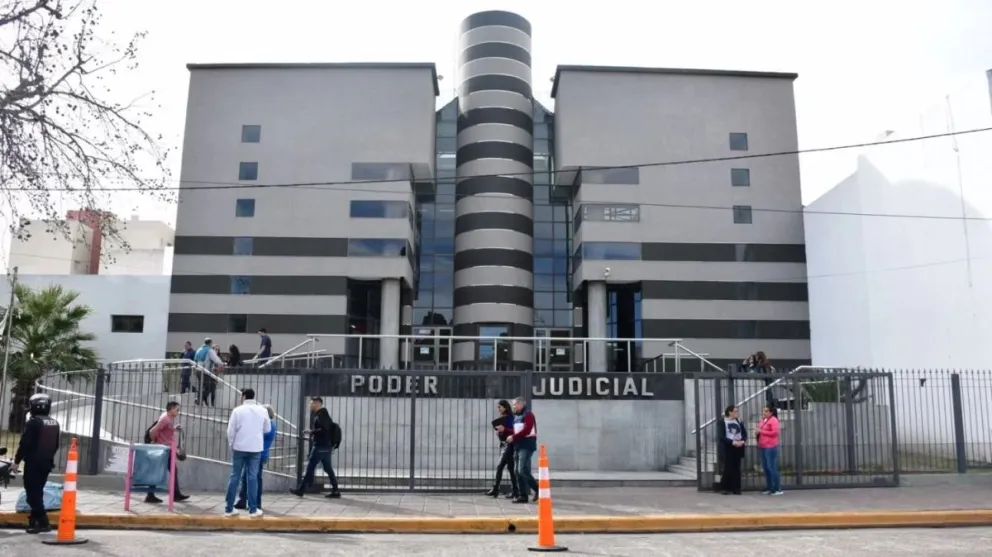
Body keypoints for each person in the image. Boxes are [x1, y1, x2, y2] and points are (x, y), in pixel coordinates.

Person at [13, 393, 60, 534]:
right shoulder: (54, 423)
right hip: (46, 463)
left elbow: (25, 444)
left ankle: (44, 522)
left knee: (32, 495)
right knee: (37, 493)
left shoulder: (33, 423)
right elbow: (56, 445)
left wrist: (16, 462)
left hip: (34, 464)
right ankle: (34, 523)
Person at [224, 388, 271, 518]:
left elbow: (230, 431)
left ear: (244, 396)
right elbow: (267, 429)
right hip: (255, 448)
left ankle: (229, 508)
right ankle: (253, 509)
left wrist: (231, 444)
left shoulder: (237, 410)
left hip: (239, 447)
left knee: (235, 476)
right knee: (252, 478)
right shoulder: (262, 410)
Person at [290, 397, 341, 499]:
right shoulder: (322, 414)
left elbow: (324, 430)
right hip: (325, 446)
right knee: (327, 468)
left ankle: (301, 490)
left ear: (317, 403)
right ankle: (335, 490)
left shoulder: (322, 414)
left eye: (311, 403)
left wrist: (311, 431)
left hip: (320, 446)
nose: (310, 405)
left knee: (310, 467)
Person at [145, 401, 190, 503]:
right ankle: (173, 495)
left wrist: (174, 429)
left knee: (164, 470)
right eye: (177, 409)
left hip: (166, 449)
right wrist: (156, 441)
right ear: (171, 409)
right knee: (167, 470)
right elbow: (152, 431)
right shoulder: (165, 419)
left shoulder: (167, 417)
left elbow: (164, 430)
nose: (178, 411)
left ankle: (152, 495)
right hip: (164, 450)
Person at [235, 404, 277, 510]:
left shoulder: (268, 426)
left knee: (255, 479)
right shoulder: (268, 424)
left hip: (258, 454)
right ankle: (243, 500)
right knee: (246, 478)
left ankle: (256, 503)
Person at [506, 397, 538, 504]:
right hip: (518, 446)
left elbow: (527, 430)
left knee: (522, 470)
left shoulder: (528, 415)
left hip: (526, 446)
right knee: (517, 471)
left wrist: (513, 437)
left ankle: (538, 489)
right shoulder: (517, 416)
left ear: (521, 404)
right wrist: (504, 430)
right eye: (513, 405)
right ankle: (522, 496)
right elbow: (516, 431)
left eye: (515, 404)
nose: (513, 406)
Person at [484, 400, 518, 499]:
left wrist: (503, 430)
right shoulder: (505, 418)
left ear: (505, 407)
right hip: (506, 445)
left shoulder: (510, 418)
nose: (498, 409)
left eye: (500, 407)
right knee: (510, 469)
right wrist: (500, 433)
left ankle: (496, 489)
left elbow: (513, 431)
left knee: (500, 467)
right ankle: (515, 490)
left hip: (510, 446)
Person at [717, 405, 747, 495]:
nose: (737, 413)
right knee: (728, 467)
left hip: (738, 446)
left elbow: (744, 432)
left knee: (736, 467)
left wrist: (743, 440)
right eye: (735, 411)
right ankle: (725, 487)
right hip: (728, 446)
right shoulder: (722, 422)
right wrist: (732, 442)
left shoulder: (738, 420)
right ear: (730, 412)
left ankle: (736, 488)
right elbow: (721, 436)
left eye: (737, 411)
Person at [757, 404, 783, 496]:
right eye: (764, 411)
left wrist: (762, 431)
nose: (764, 412)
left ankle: (777, 488)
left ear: (771, 412)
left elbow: (775, 433)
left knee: (771, 467)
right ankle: (769, 487)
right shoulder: (763, 420)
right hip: (763, 446)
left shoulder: (773, 420)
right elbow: (760, 429)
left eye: (766, 411)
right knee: (766, 468)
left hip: (770, 446)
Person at [193, 338, 224, 407]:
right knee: (210, 386)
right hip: (205, 371)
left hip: (198, 370)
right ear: (210, 343)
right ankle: (200, 399)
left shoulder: (199, 349)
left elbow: (195, 360)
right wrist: (222, 363)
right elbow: (216, 359)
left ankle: (199, 400)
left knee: (201, 386)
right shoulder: (209, 350)